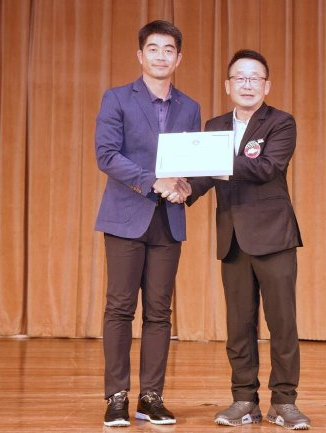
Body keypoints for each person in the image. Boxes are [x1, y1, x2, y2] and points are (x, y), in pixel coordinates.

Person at [188, 49, 310, 430]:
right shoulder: (215, 126)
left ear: (266, 86)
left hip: (274, 237)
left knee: (282, 323)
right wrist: (182, 188)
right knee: (238, 325)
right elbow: (204, 175)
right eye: (239, 77)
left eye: (254, 78)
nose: (247, 84)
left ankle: (284, 402)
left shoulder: (281, 122)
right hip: (233, 240)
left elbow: (267, 167)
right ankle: (244, 399)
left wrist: (216, 161)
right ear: (227, 85)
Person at [94, 20, 200, 427]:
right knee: (120, 308)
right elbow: (106, 155)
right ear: (140, 55)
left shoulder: (189, 107)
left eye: (168, 49)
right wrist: (152, 181)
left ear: (178, 58)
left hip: (168, 220)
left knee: (159, 312)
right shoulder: (117, 98)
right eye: (153, 49)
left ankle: (151, 397)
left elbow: (189, 163)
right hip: (126, 216)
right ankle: (116, 396)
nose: (161, 56)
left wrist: (185, 185)